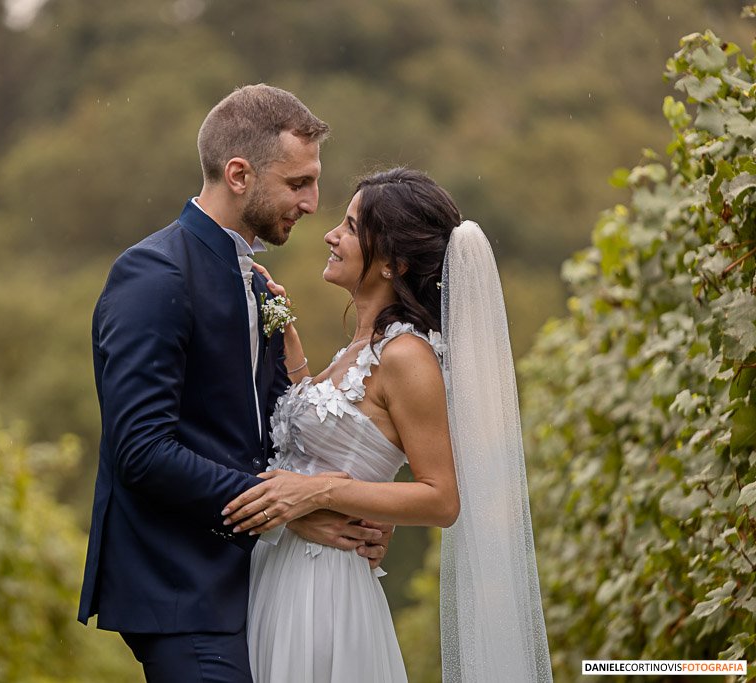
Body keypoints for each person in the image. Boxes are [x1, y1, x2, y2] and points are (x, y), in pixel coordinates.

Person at [77, 85, 393, 683]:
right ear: (239, 174)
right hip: (182, 586)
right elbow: (141, 451)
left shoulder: (253, 282)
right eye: (298, 183)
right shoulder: (153, 274)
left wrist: (350, 516)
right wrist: (283, 510)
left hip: (256, 582)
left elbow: (267, 433)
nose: (312, 202)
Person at [222, 168, 553, 682]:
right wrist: (293, 356)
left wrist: (318, 493)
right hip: (282, 576)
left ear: (394, 262)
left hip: (326, 592)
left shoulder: (407, 357)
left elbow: (441, 499)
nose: (332, 235)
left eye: (351, 227)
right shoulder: (360, 350)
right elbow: (342, 437)